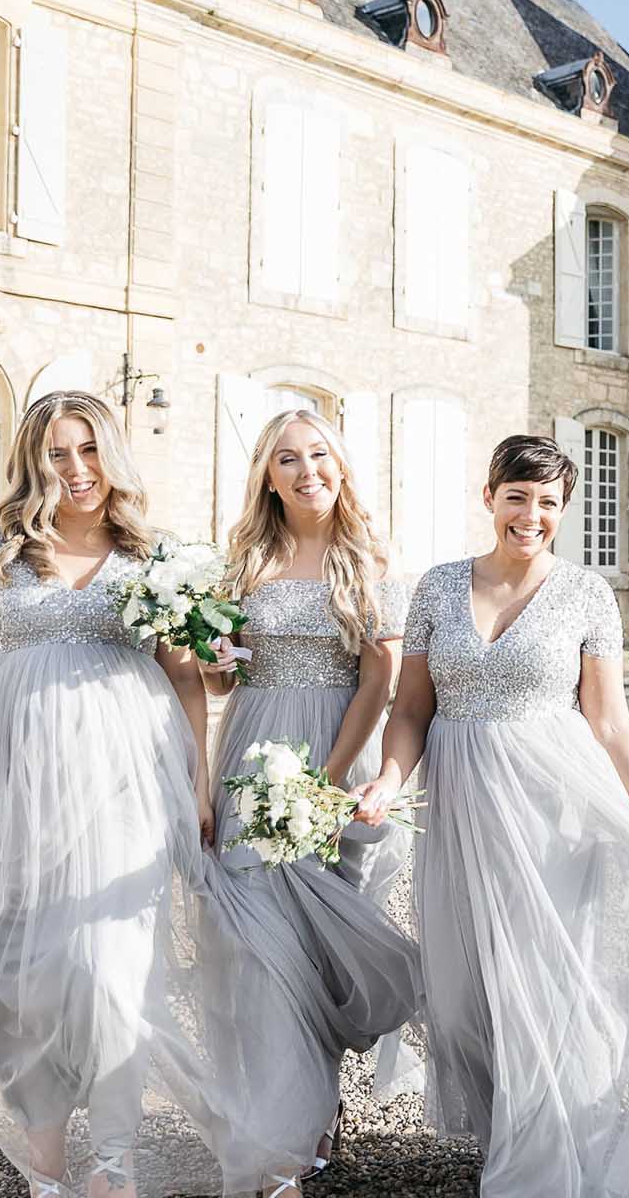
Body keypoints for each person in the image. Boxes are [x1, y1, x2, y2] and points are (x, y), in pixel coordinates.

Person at [0, 391, 249, 1198]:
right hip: (15, 782)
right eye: (58, 455)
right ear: (32, 463)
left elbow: (186, 679)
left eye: (90, 450)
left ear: (115, 455)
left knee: (112, 969)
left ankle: (114, 1164)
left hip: (125, 785)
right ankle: (46, 1160)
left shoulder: (156, 557)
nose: (77, 470)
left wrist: (198, 784)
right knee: (28, 971)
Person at [350, 434, 629, 1198]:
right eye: (518, 497)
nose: (531, 515)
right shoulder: (438, 588)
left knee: (546, 972)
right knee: (471, 983)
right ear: (490, 497)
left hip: (555, 806)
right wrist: (387, 782)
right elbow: (410, 710)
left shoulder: (586, 595)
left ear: (563, 511)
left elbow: (608, 723)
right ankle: (515, 1120)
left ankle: (545, 1152)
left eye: (548, 503)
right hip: (464, 807)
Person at [195, 408, 423, 1196]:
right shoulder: (246, 558)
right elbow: (222, 679)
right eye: (286, 459)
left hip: (334, 753)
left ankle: (316, 1110)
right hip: (250, 751)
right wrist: (216, 658)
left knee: (321, 948)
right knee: (256, 948)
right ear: (267, 473)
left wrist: (325, 787)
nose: (305, 471)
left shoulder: (367, 558)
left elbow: (380, 682)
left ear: (341, 463)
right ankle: (280, 1137)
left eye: (318, 455)